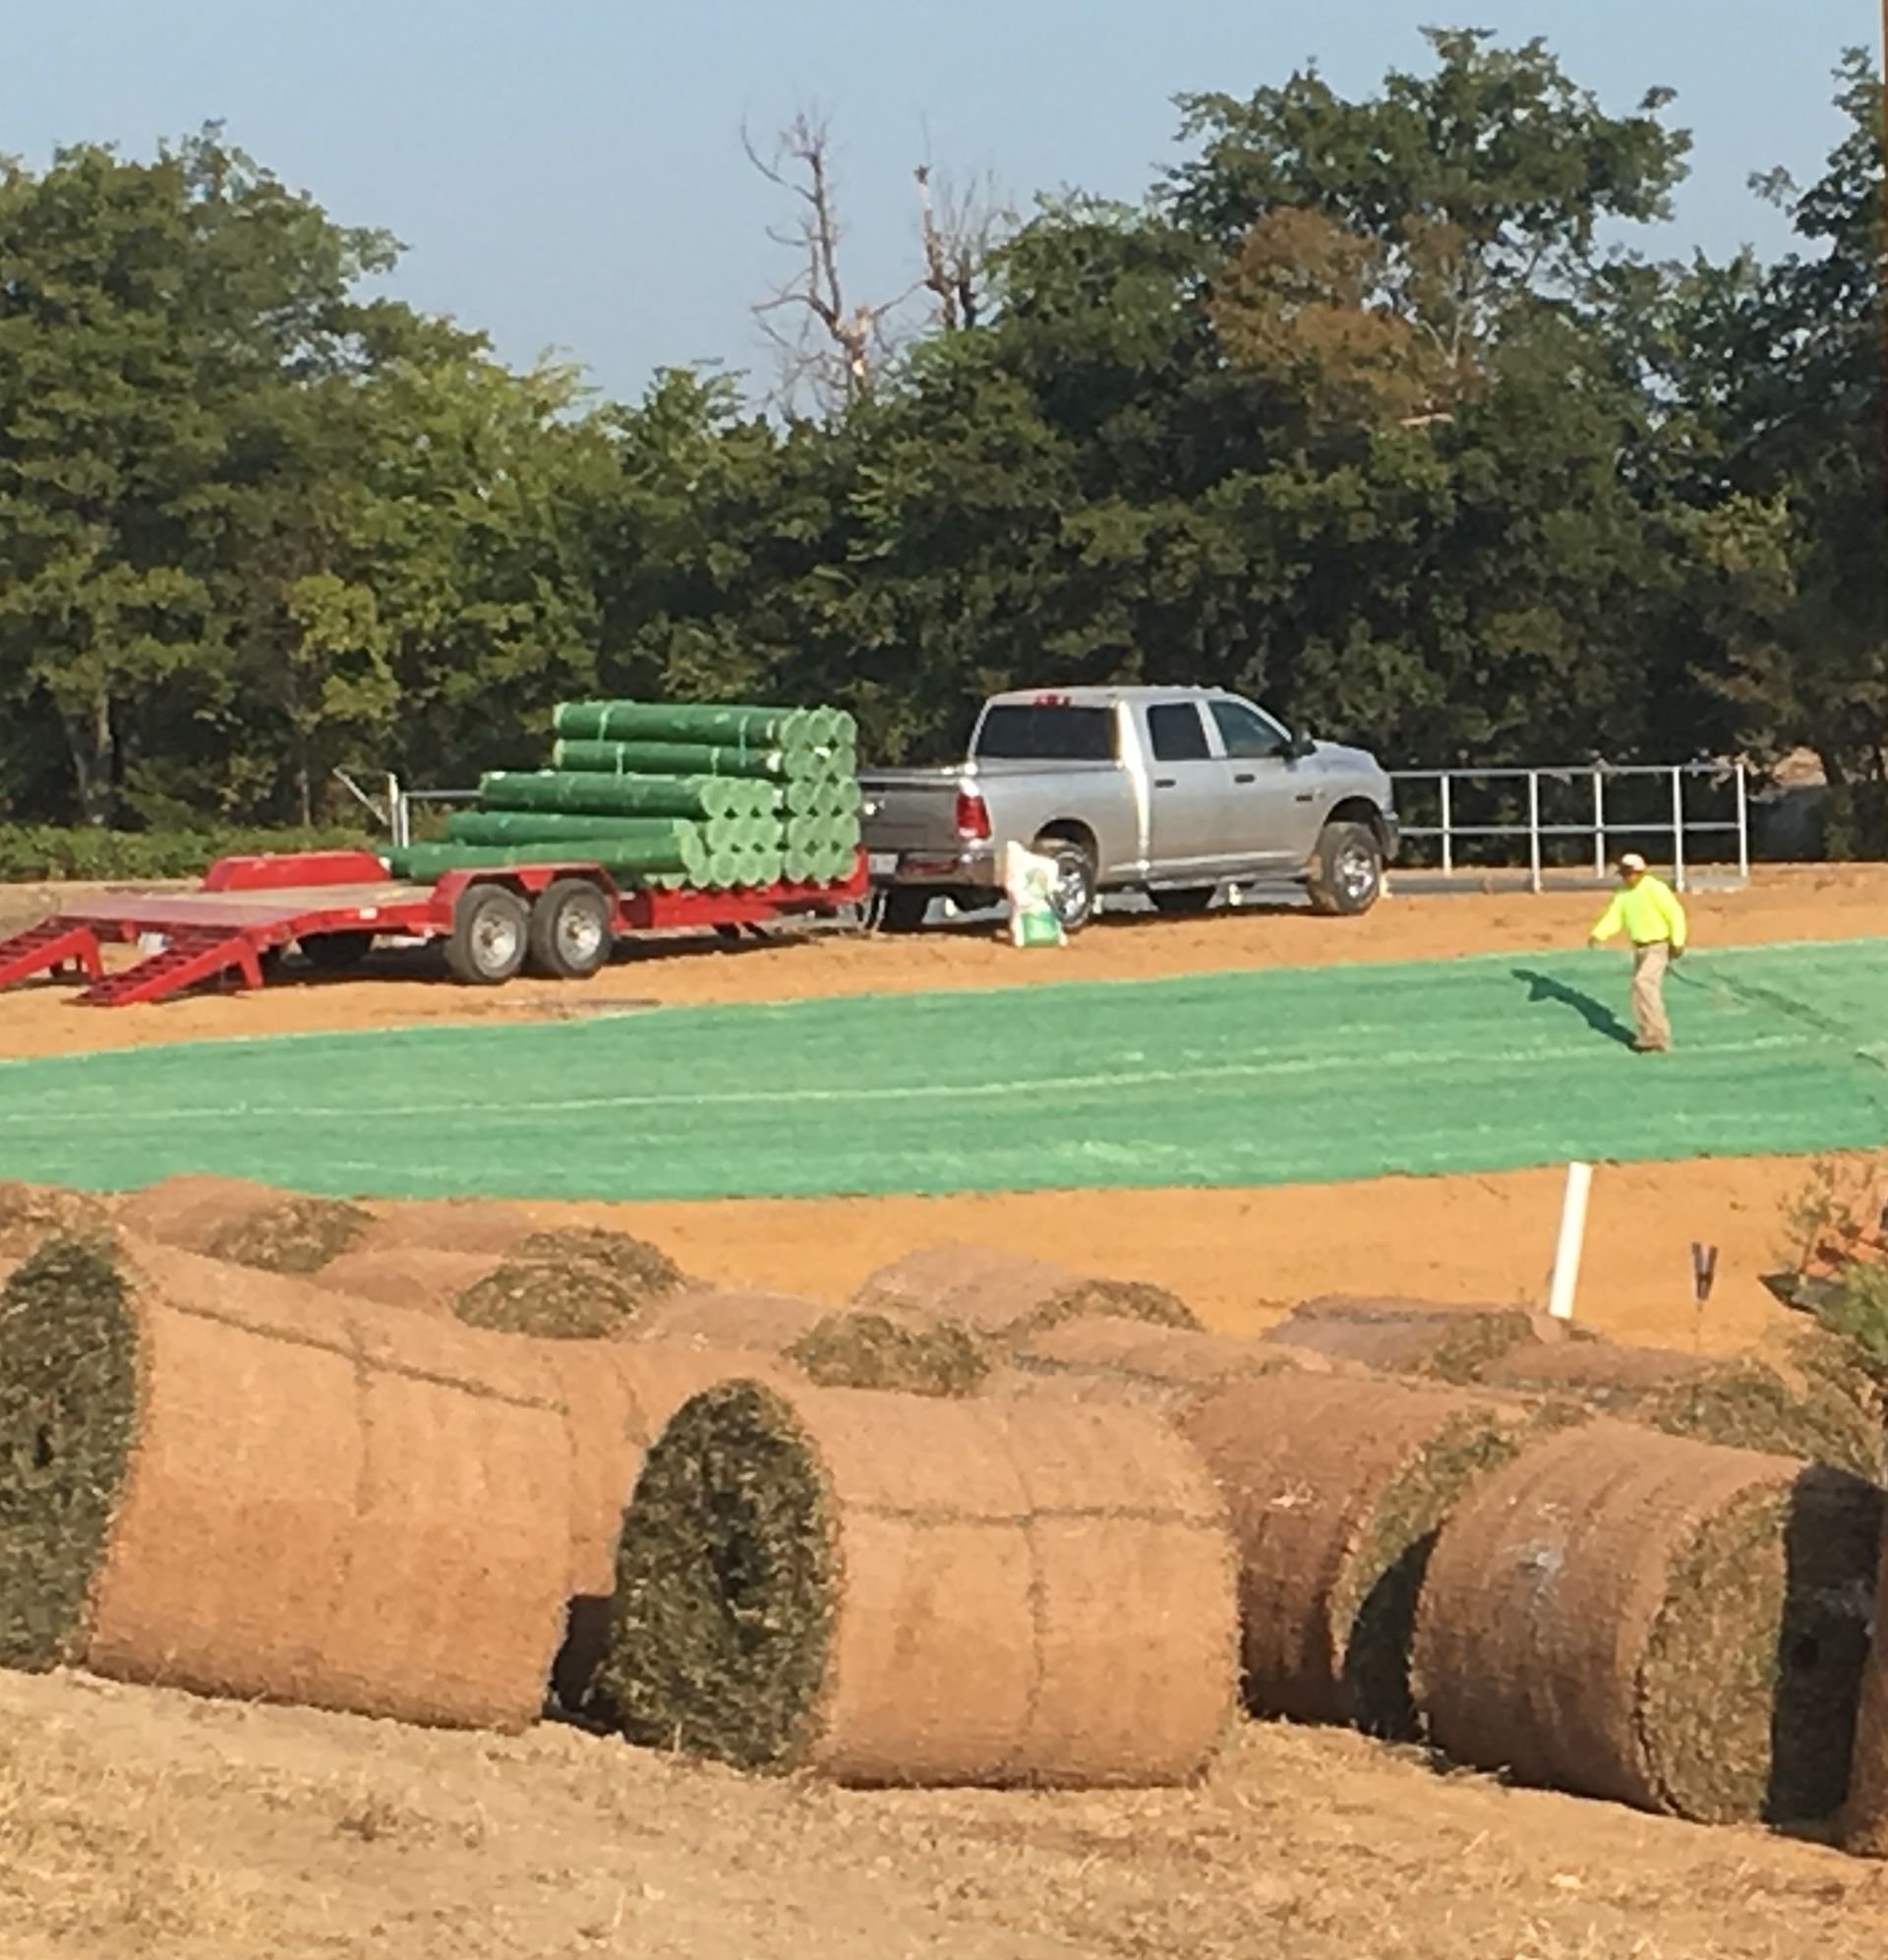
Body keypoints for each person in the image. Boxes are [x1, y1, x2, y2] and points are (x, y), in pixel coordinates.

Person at [1588, 852, 1687, 1052]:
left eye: (1629, 873)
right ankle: (1647, 1035)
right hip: (1640, 947)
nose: (1626, 877)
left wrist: (1678, 941)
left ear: (1640, 872)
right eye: (1623, 873)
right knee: (1640, 991)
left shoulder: (1655, 889)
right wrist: (1599, 934)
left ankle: (1658, 1036)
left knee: (1644, 983)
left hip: (1658, 945)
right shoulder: (1623, 894)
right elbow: (1614, 917)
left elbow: (1675, 914)